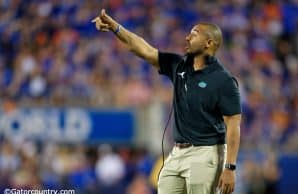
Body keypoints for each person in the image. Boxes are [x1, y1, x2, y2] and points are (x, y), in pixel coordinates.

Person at [92, 9, 242, 194]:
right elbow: (144, 50)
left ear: (209, 43)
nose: (187, 38)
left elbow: (233, 125)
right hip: (177, 152)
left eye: (194, 34)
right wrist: (116, 28)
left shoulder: (223, 80)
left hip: (206, 153)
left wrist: (230, 167)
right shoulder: (178, 66)